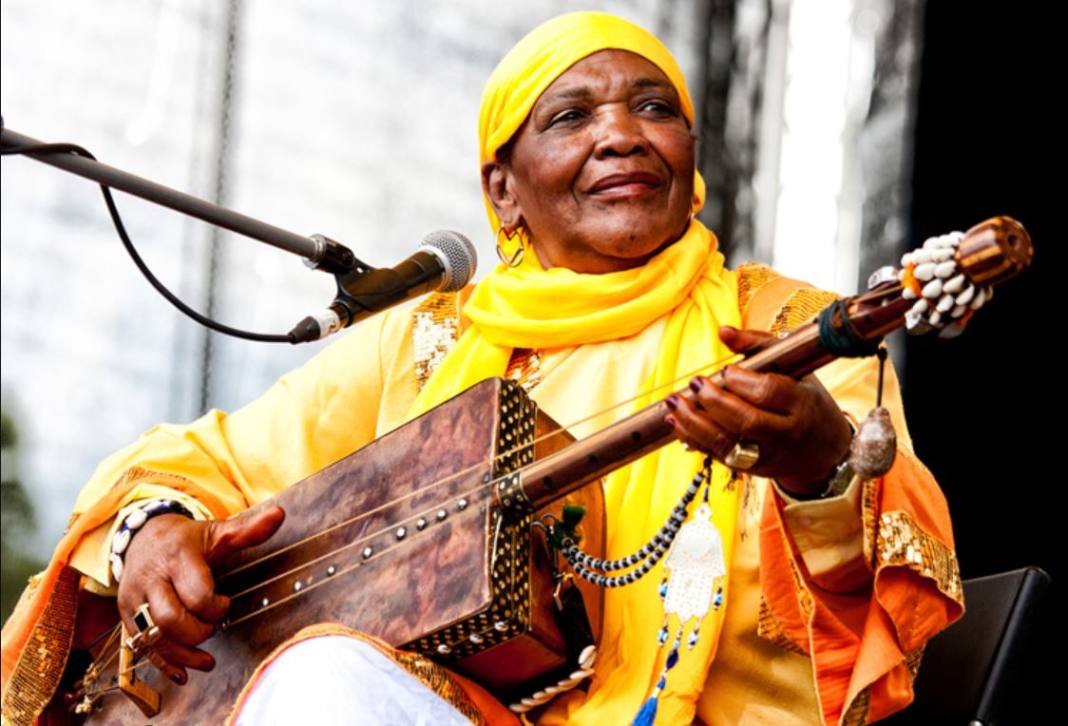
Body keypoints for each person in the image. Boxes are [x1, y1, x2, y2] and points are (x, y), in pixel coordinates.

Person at [1, 12, 963, 726]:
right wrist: (154, 529)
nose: (621, 134)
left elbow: (885, 575)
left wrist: (816, 464)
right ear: (502, 191)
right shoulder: (425, 340)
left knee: (322, 681)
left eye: (654, 108)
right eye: (571, 116)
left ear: (690, 156)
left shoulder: (785, 327)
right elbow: (208, 456)